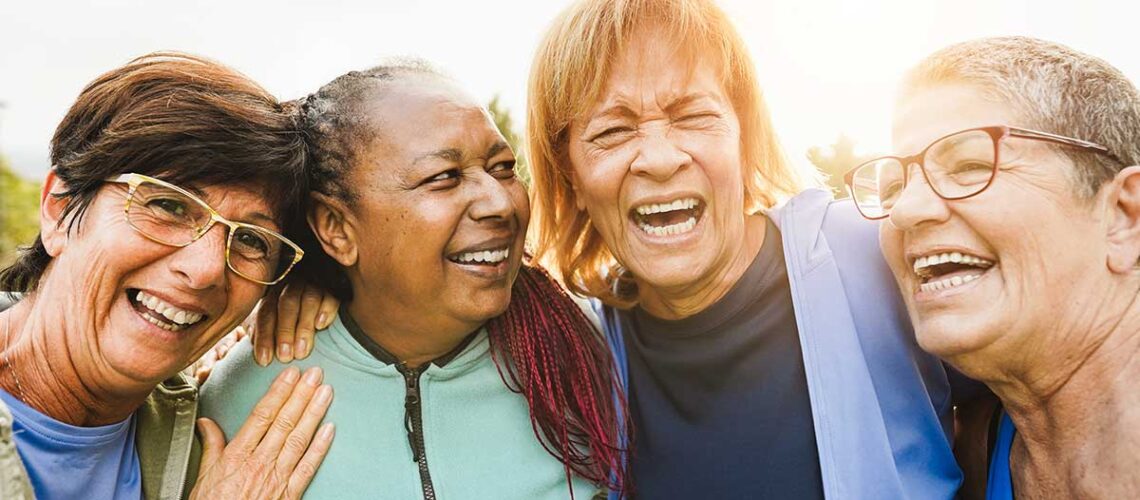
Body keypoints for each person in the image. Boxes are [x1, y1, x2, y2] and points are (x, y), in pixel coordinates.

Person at [525, 0, 961, 497]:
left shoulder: (875, 250)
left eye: (691, 115)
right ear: (571, 177)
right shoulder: (580, 350)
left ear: (743, 138)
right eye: (612, 131)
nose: (661, 160)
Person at [199, 60, 628, 499]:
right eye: (444, 177)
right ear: (335, 227)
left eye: (502, 167)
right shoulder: (238, 406)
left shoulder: (587, 350)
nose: (498, 202)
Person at [0, 53, 334, 499]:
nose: (205, 270)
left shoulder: (207, 426)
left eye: (253, 241)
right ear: (60, 212)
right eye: (168, 205)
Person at [849, 36, 1140, 499]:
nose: (905, 210)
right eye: (893, 188)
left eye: (968, 165)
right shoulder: (967, 453)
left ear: (1124, 216)